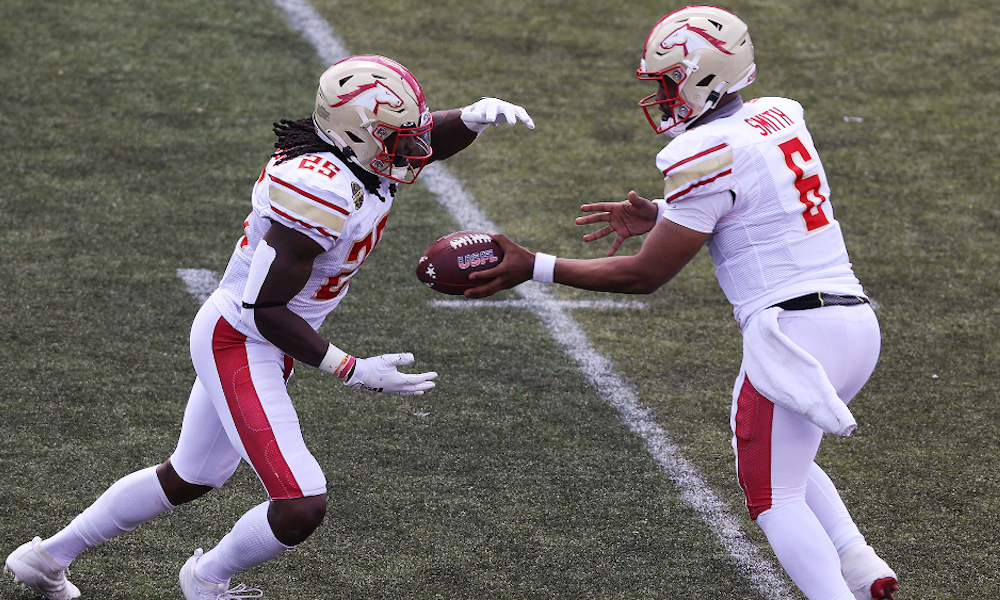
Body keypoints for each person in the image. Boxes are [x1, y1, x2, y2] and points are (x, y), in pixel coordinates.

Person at [4, 54, 534, 600]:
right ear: (356, 136)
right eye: (398, 139)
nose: (414, 150)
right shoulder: (320, 192)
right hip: (242, 336)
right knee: (302, 502)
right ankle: (206, 579)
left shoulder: (354, 155)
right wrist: (353, 370)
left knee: (192, 475)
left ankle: (46, 558)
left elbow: (421, 143)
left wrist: (469, 118)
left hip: (257, 335)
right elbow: (263, 308)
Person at [465, 6, 898, 600]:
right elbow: (757, 204)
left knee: (772, 495)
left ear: (705, 76)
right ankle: (859, 561)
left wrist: (533, 266)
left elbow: (646, 274)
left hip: (792, 332)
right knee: (785, 459)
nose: (661, 97)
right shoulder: (781, 115)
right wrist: (667, 217)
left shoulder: (698, 153)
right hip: (852, 323)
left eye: (668, 82)